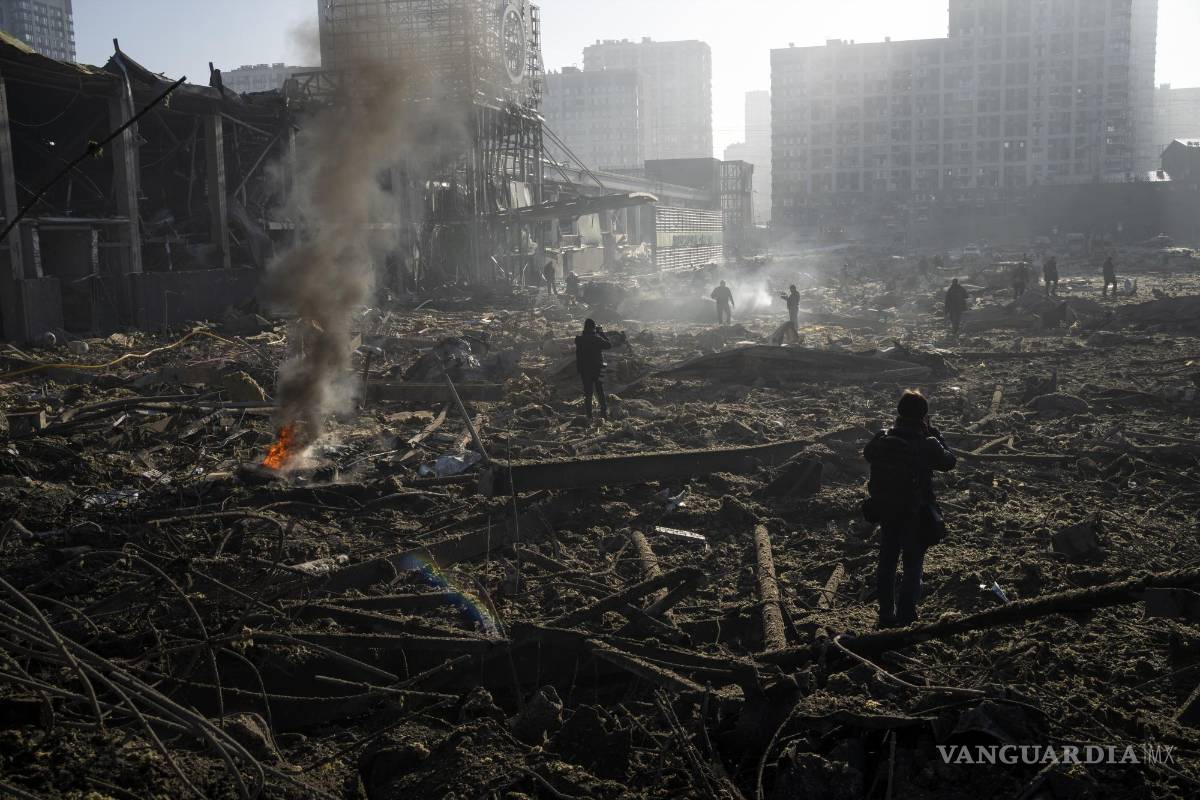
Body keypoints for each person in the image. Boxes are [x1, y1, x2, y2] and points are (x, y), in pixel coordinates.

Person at [863, 390, 957, 627]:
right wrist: (936, 435)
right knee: (913, 564)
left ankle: (885, 612)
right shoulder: (927, 443)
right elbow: (949, 462)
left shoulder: (882, 439)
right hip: (915, 512)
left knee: (887, 561)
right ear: (924, 416)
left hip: (886, 510)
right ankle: (906, 614)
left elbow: (868, 455)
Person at [574, 319, 612, 422]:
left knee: (588, 393)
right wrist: (601, 333)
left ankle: (589, 416)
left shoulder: (578, 339)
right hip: (597, 368)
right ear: (593, 327)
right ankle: (603, 413)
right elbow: (609, 345)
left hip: (584, 370)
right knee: (600, 390)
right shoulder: (596, 339)